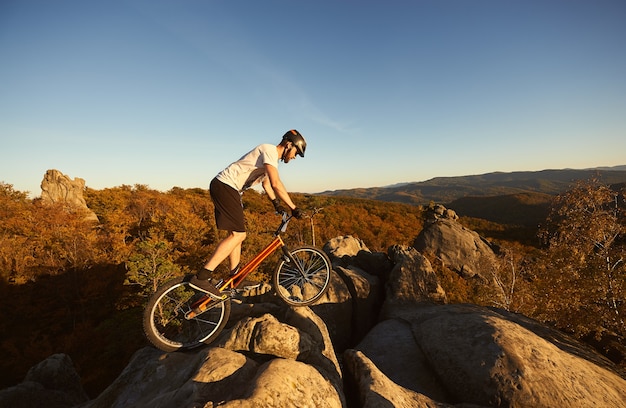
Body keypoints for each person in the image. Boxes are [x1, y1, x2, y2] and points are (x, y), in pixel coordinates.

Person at [188, 129, 307, 297]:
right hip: (225, 185)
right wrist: (293, 208)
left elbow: (266, 184)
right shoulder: (269, 150)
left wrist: (277, 205)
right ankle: (202, 277)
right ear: (289, 145)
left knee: (236, 234)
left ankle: (235, 277)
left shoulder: (271, 159)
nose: (295, 157)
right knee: (239, 235)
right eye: (296, 152)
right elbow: (275, 183)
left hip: (229, 188)